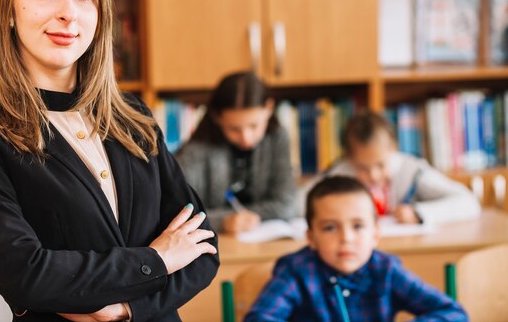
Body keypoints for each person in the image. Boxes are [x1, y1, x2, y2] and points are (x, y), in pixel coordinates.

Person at [0, 0, 218, 322]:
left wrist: (124, 308)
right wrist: (157, 259)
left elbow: (202, 247)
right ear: (9, 11)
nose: (68, 12)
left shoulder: (134, 117)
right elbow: (26, 274)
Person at [245, 176, 468, 322]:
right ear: (311, 237)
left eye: (358, 226)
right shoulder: (296, 271)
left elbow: (453, 313)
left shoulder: (386, 270)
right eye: (330, 228)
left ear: (375, 234)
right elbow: (260, 318)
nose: (346, 238)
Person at [298, 110, 480, 225]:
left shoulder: (412, 171)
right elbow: (297, 205)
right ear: (349, 159)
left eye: (380, 165)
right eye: (363, 168)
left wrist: (419, 213)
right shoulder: (339, 174)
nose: (374, 175)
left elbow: (468, 202)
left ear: (394, 149)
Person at [175, 72, 296, 234]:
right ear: (218, 118)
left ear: (269, 108)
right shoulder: (195, 151)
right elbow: (180, 214)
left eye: (254, 126)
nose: (246, 138)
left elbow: (286, 205)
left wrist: (241, 217)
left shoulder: (278, 137)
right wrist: (223, 221)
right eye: (234, 129)